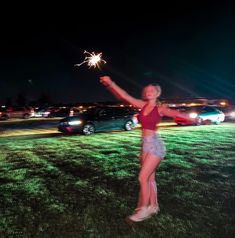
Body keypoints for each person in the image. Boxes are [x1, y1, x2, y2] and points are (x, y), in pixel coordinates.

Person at [100, 76, 196, 222]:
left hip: (155, 145)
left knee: (142, 177)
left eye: (152, 90)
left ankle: (143, 210)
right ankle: (154, 206)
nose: (148, 92)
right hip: (145, 144)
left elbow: (175, 113)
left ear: (158, 93)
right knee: (150, 178)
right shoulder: (142, 105)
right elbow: (124, 95)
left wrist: (192, 118)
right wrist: (110, 83)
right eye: (147, 90)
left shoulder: (160, 108)